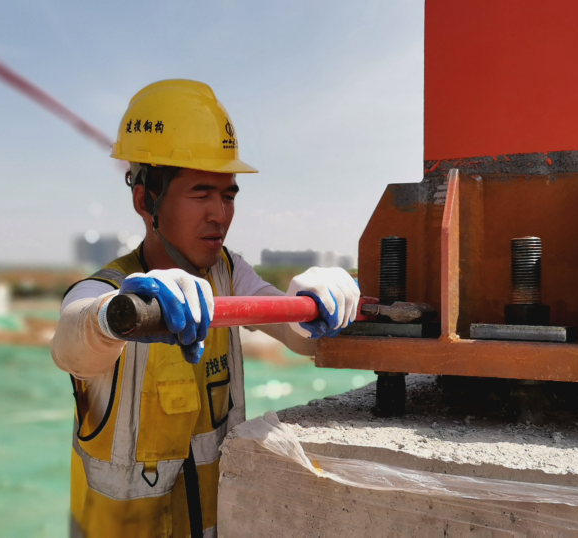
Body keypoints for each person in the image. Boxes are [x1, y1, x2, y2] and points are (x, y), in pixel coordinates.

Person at [51, 79, 359, 537]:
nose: (220, 214)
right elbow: (73, 342)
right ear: (145, 200)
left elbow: (297, 337)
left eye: (228, 195)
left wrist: (313, 303)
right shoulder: (109, 291)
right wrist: (118, 315)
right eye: (201, 193)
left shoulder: (227, 273)